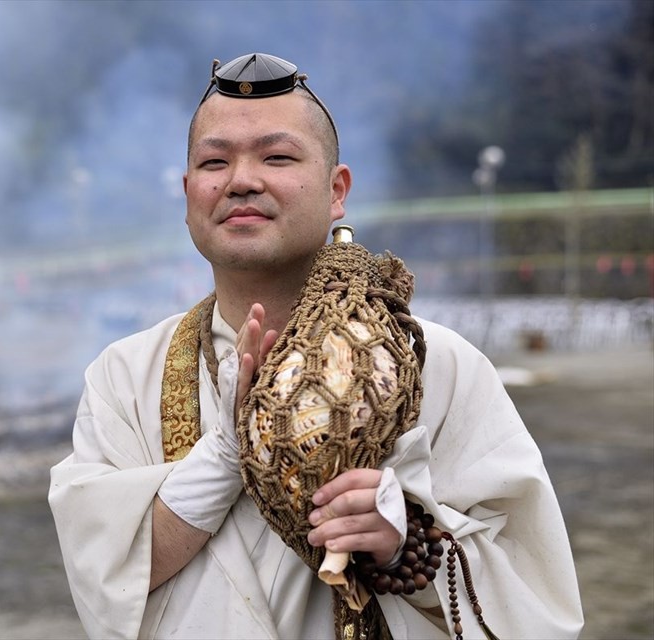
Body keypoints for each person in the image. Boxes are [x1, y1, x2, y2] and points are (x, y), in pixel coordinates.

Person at [49, 52, 584, 639]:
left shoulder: (439, 366)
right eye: (214, 161)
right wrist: (226, 455)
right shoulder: (124, 376)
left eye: (277, 156)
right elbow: (104, 576)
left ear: (337, 191)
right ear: (187, 193)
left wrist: (403, 542)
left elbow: (533, 593)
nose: (241, 180)